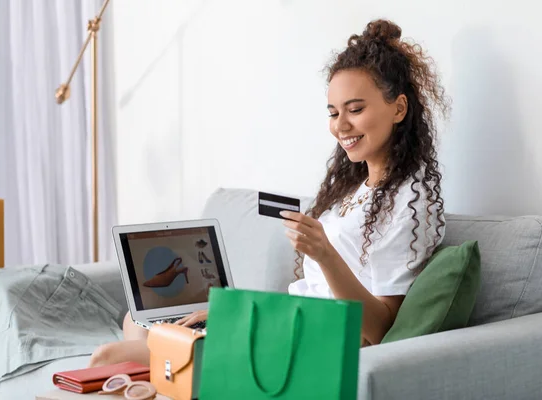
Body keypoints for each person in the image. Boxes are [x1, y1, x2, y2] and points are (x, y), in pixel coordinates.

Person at [88, 18, 448, 367]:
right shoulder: (353, 189)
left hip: (313, 338)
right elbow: (310, 293)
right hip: (288, 320)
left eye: (355, 109)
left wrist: (324, 253)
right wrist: (238, 308)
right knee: (136, 323)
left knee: (108, 357)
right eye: (333, 112)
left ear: (399, 108)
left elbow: (379, 329)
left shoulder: (411, 205)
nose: (340, 126)